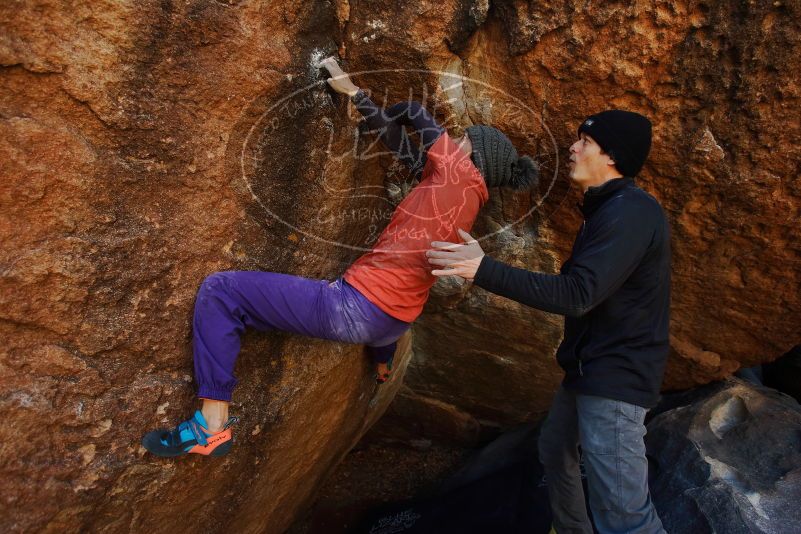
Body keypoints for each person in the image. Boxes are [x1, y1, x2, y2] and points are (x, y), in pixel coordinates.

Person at [140, 58, 538, 457]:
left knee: (221, 292)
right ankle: (383, 363)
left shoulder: (460, 173)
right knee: (258, 312)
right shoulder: (463, 198)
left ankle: (211, 427)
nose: (453, 138)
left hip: (356, 308)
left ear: (474, 155)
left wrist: (368, 97)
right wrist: (359, 98)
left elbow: (415, 114)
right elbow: (402, 146)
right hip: (392, 323)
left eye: (462, 138)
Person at [426, 111, 669, 533]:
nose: (572, 148)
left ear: (611, 157)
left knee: (625, 516)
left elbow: (578, 295)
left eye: (584, 142)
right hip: (587, 371)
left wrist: (482, 269)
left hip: (615, 380)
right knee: (556, 450)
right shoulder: (608, 210)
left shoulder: (631, 213)